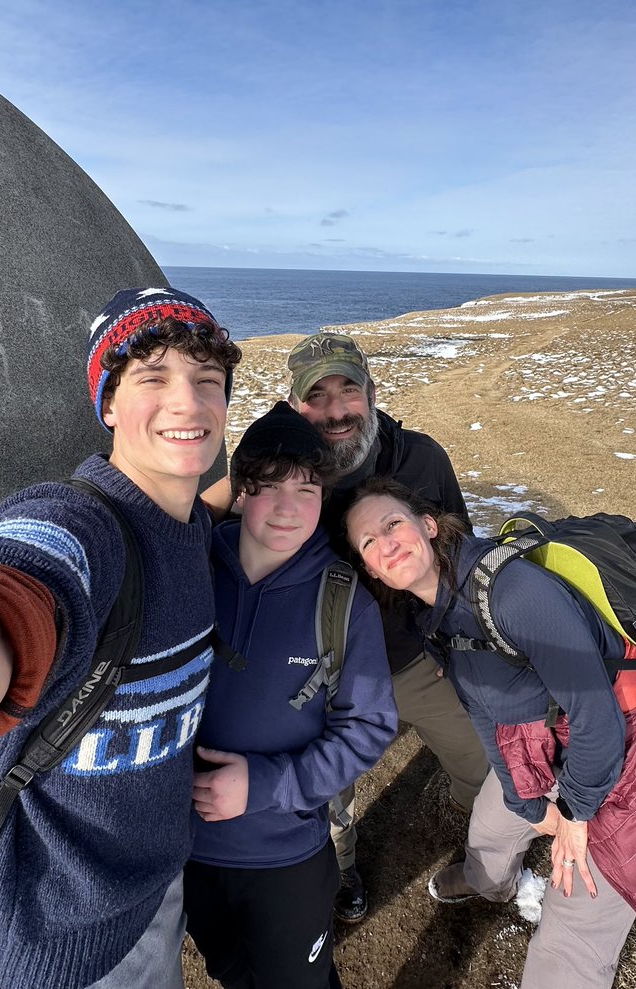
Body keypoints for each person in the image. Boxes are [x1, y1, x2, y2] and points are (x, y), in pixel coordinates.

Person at [0, 287, 242, 989]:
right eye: (152, 377)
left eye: (208, 380)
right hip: (53, 950)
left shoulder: (193, 531)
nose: (188, 402)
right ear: (107, 404)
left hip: (154, 901)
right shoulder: (79, 527)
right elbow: (10, 590)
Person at [344, 478, 636, 989]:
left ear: (428, 526)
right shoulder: (436, 614)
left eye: (392, 523)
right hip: (550, 739)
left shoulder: (514, 593)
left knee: (571, 930)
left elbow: (597, 717)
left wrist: (575, 816)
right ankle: (487, 882)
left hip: (630, 748)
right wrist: (529, 803)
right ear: (370, 567)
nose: (385, 543)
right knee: (492, 829)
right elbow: (482, 710)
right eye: (368, 542)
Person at [204, 331, 489, 923]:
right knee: (327, 786)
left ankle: (493, 854)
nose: (335, 410)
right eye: (317, 397)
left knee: (480, 761)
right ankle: (340, 871)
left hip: (416, 658)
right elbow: (204, 513)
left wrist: (460, 644)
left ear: (372, 393)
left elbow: (457, 552)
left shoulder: (422, 459)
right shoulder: (291, 463)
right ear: (295, 405)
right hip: (321, 667)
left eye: (348, 390)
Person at [185, 402, 397, 989]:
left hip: (285, 855)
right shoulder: (191, 566)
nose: (288, 509)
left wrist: (266, 785)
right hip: (184, 848)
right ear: (241, 489)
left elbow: (369, 727)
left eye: (307, 490)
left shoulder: (341, 598)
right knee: (228, 969)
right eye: (269, 487)